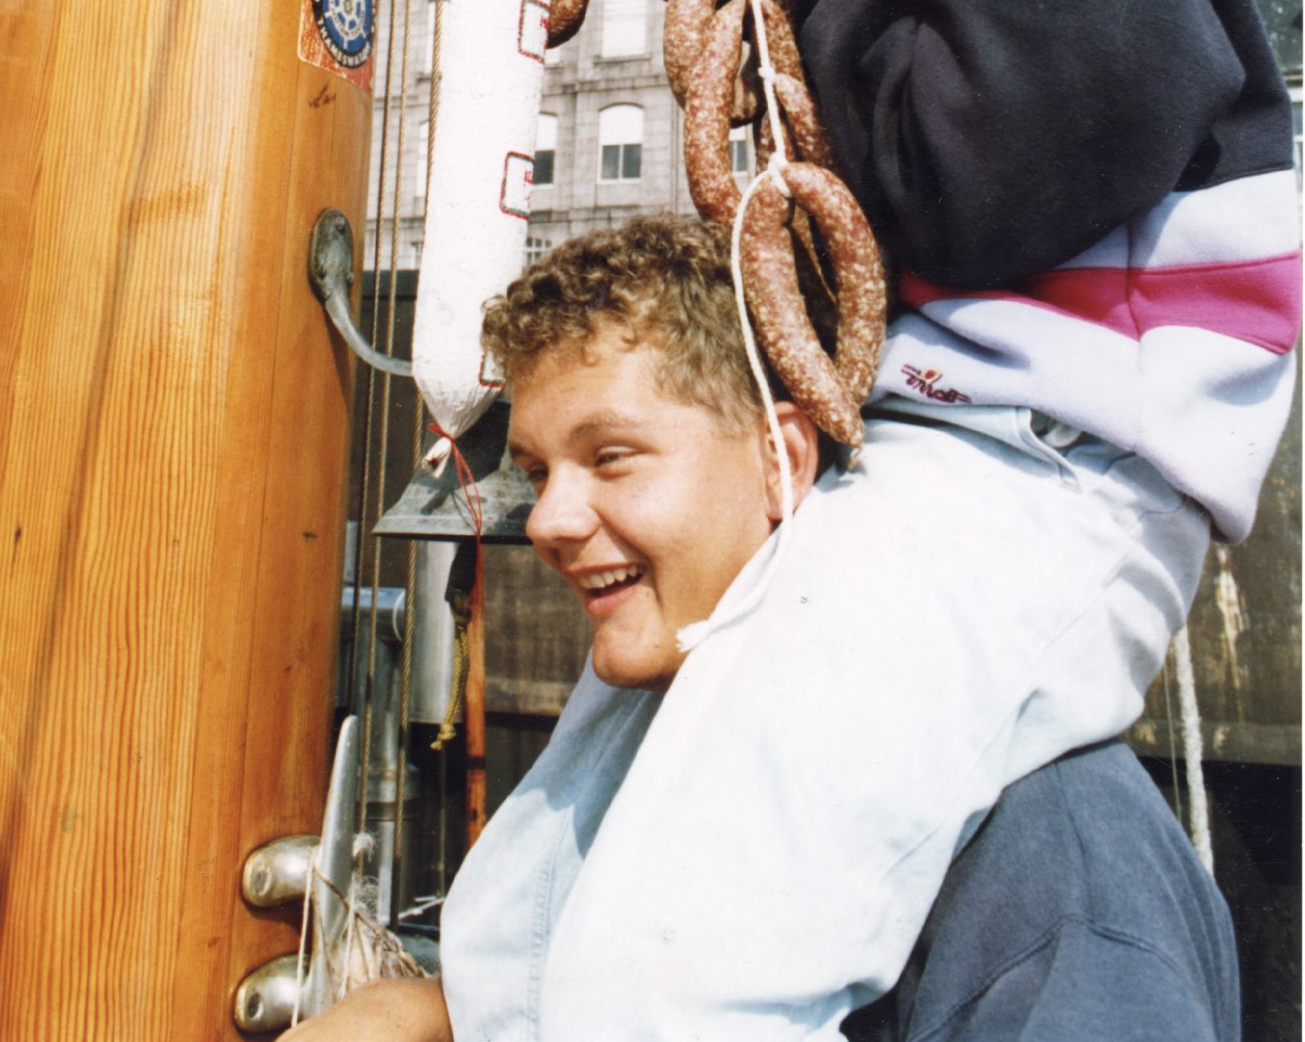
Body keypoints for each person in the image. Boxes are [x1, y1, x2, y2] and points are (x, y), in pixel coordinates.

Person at [501, 0, 1295, 1028]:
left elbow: (972, 177)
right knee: (531, 891)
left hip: (1045, 473)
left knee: (674, 968)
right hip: (923, 455)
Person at [294, 217, 1242, 1040]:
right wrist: (420, 1013)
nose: (544, 521)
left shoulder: (1056, 863)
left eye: (611, 457)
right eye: (539, 472)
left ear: (781, 463)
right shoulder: (661, 736)